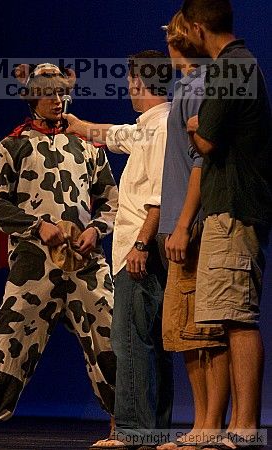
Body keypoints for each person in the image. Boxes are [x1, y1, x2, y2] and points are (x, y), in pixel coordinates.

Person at [0, 63, 118, 446]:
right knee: (10, 337)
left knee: (108, 336)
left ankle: (122, 419)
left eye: (61, 92)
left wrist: (95, 229)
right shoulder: (12, 146)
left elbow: (111, 202)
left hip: (86, 263)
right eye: (49, 93)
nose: (58, 99)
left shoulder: (88, 146)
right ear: (33, 97)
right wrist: (37, 226)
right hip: (33, 265)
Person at [64, 50, 174, 449]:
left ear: (138, 83)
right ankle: (154, 431)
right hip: (138, 250)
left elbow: (160, 196)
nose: (128, 87)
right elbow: (114, 134)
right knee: (150, 344)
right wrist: (78, 125)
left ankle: (132, 432)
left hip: (138, 252)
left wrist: (141, 243)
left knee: (130, 342)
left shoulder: (161, 130)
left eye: (130, 79)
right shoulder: (153, 125)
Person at [183, 0, 272, 448]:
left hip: (235, 209)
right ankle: (238, 427)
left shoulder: (229, 67)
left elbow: (208, 141)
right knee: (231, 317)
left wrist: (194, 124)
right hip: (236, 208)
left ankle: (244, 427)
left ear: (198, 28)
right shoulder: (240, 64)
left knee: (239, 319)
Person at [156, 11, 229, 450]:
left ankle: (211, 425)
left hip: (191, 224)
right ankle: (201, 423)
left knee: (206, 331)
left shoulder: (201, 85)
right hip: (175, 224)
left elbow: (202, 161)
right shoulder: (183, 85)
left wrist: (183, 225)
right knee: (185, 334)